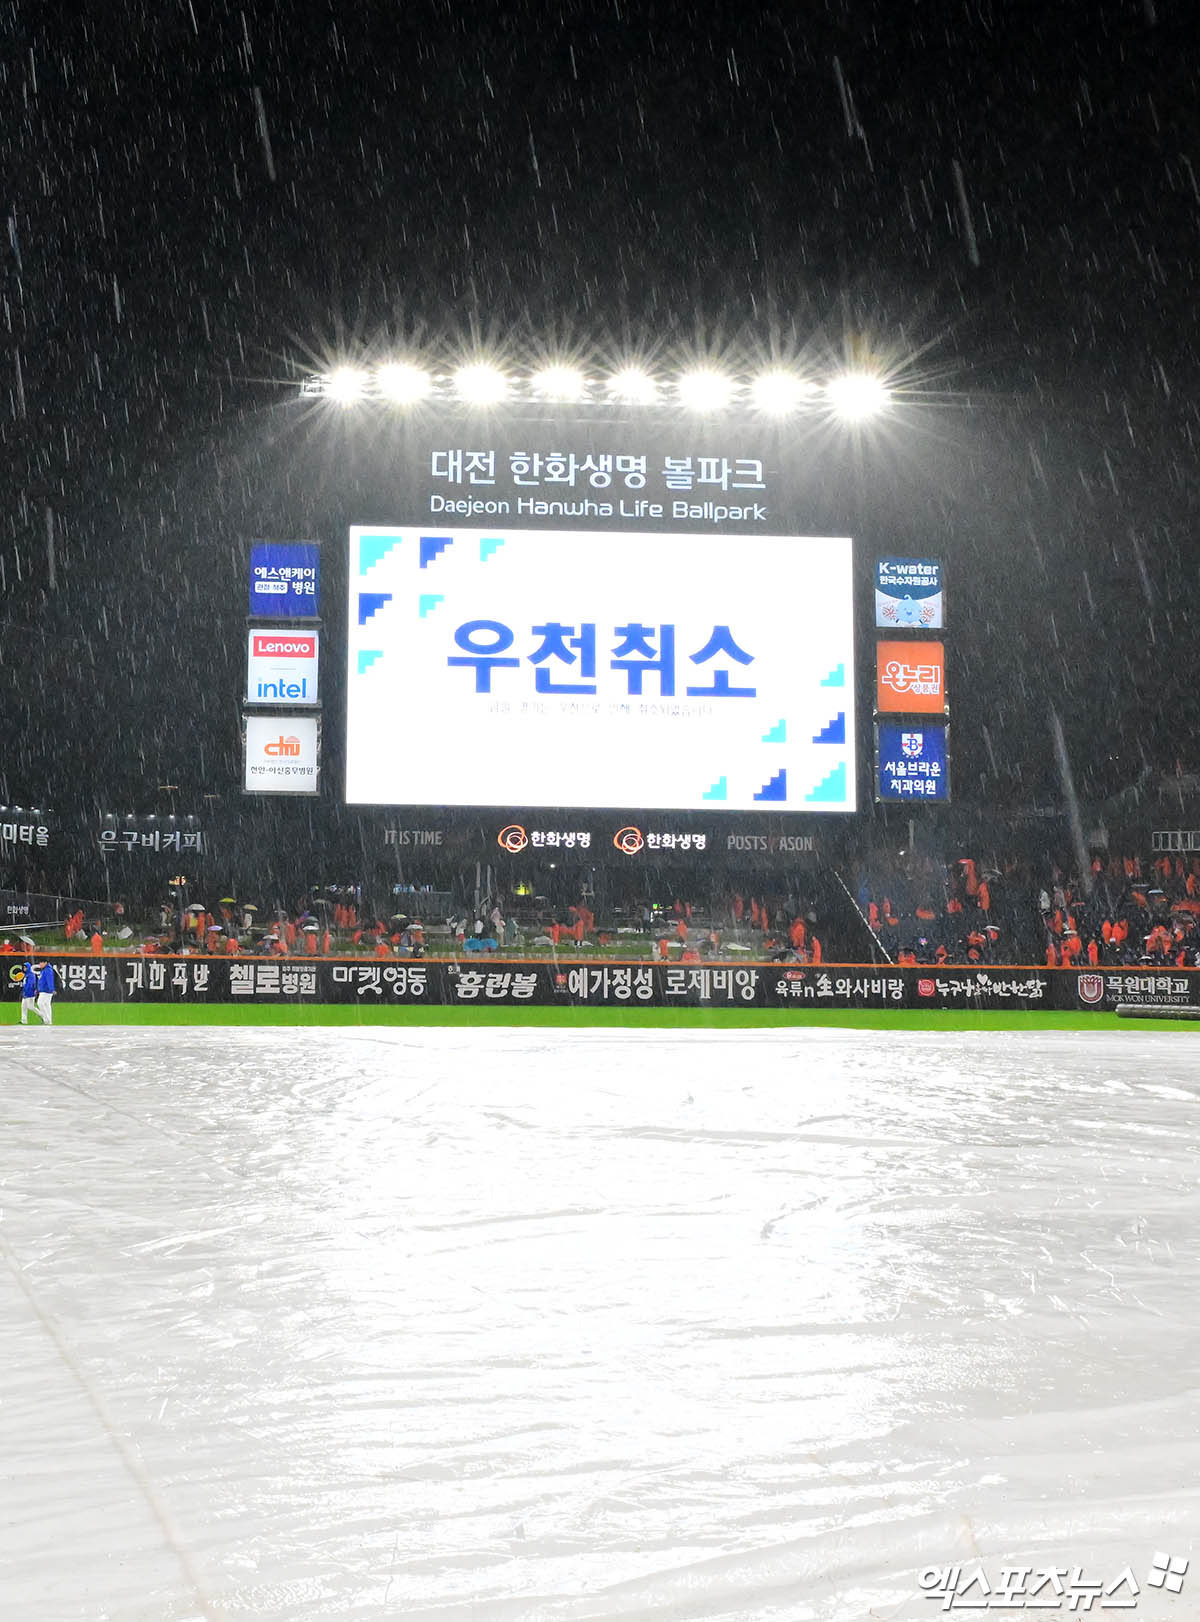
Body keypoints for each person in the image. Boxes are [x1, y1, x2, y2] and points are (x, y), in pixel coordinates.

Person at [35, 958, 57, 1024]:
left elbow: (49, 980)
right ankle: (49, 1020)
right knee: (47, 1005)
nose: (39, 964)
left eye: (41, 963)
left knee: (40, 1003)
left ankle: (46, 1019)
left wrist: (51, 989)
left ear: (45, 963)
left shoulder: (47, 970)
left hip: (46, 990)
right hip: (45, 990)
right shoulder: (44, 970)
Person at [20, 958, 38, 1023]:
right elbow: (25, 985)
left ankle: (42, 1015)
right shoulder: (26, 975)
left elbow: (30, 985)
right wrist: (24, 993)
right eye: (23, 967)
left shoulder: (31, 975)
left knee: (31, 1007)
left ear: (28, 967)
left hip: (30, 994)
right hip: (26, 993)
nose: (24, 968)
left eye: (25, 967)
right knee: (23, 1007)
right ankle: (24, 1020)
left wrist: (26, 993)